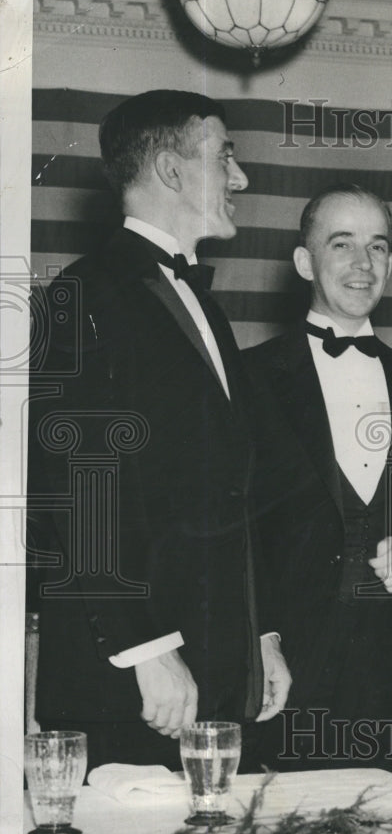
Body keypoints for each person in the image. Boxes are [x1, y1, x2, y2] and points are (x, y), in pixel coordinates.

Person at [27, 90, 291, 771]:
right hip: (135, 683)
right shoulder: (82, 294)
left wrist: (261, 635)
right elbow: (79, 488)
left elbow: (238, 490)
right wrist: (145, 649)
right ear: (173, 172)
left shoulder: (207, 309)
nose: (241, 178)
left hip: (218, 671)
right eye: (225, 155)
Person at [244, 184, 392, 770]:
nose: (364, 265)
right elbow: (231, 528)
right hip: (284, 670)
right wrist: (262, 642)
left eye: (379, 247)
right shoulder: (247, 379)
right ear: (305, 262)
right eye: (343, 245)